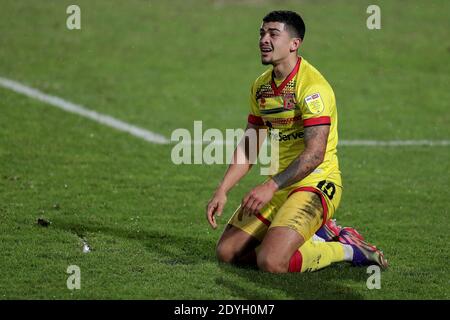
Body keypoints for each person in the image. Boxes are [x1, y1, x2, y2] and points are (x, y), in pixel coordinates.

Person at [206, 10, 388, 273]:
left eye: (273, 34)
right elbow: (250, 144)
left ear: (294, 43)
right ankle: (310, 234)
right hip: (280, 184)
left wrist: (270, 185)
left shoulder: (313, 87)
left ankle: (348, 248)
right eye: (261, 33)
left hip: (316, 184)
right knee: (227, 253)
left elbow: (315, 154)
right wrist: (222, 189)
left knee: (272, 262)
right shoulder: (261, 88)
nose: (264, 40)